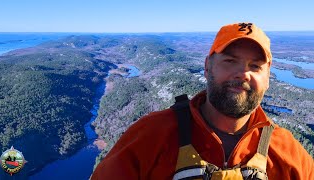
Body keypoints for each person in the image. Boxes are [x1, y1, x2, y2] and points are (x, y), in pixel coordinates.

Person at [91, 23, 314, 180]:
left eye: (255, 66)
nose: (243, 74)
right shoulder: (151, 135)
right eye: (230, 61)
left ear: (267, 79)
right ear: (207, 67)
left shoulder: (287, 152)